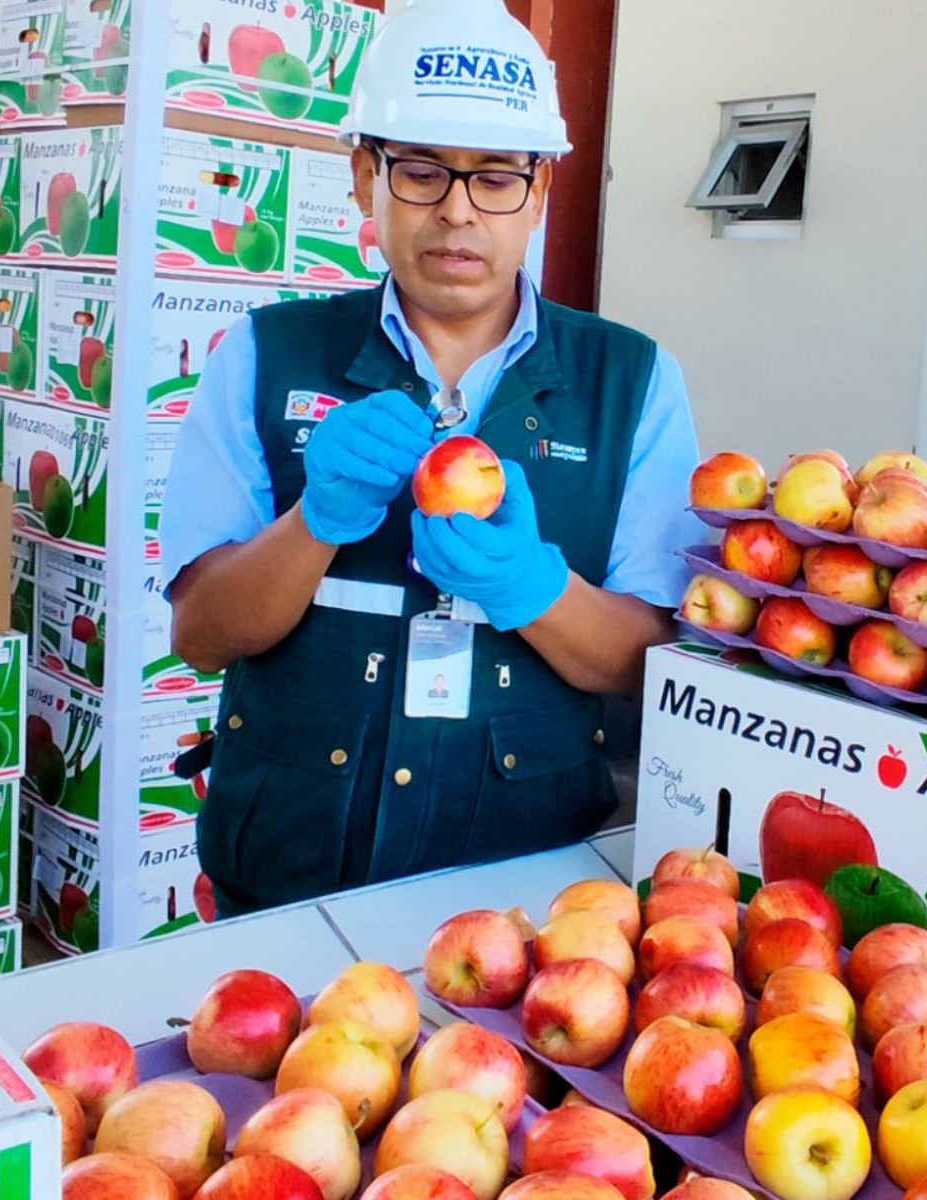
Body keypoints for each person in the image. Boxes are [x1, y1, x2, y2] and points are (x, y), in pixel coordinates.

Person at [164, 0, 702, 917]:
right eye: (420, 171)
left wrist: (536, 589)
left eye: (495, 177)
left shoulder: (633, 380)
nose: (457, 210)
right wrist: (315, 522)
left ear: (541, 191)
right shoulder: (262, 355)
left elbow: (649, 663)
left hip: (528, 893)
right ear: (364, 175)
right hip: (295, 871)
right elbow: (202, 634)